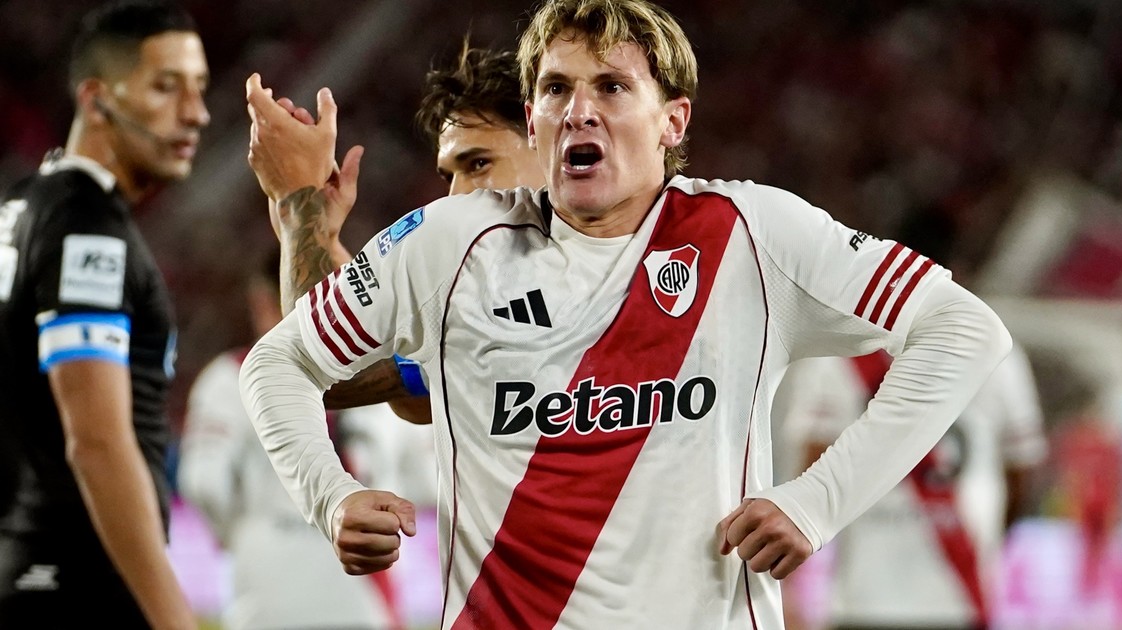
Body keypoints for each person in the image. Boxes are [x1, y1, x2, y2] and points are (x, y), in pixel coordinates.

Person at [239, 1, 1013, 627]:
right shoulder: (450, 245)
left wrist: (818, 500)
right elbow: (287, 361)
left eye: (611, 87)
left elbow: (964, 328)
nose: (579, 110)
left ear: (673, 121)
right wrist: (328, 495)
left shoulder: (750, 235)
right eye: (556, 89)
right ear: (536, 123)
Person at [0, 1, 207, 628]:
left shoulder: (26, 206)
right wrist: (172, 616)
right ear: (95, 100)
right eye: (165, 87)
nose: (196, 113)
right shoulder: (87, 225)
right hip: (78, 584)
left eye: (199, 88)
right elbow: (95, 441)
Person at [266, 43, 544, 421]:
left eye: (479, 164)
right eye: (449, 177)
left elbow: (318, 367)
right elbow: (415, 398)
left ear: (550, 145)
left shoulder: (536, 294)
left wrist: (298, 204)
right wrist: (324, 239)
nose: (456, 196)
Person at [177, 246, 406, 630]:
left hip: (271, 564)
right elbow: (421, 477)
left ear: (264, 300)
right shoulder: (382, 378)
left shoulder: (231, 377)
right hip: (363, 571)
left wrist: (240, 535)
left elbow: (203, 483)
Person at [783, 342, 1046, 630]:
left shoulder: (839, 353)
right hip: (903, 597)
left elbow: (809, 485)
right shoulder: (996, 351)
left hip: (895, 598)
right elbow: (1020, 471)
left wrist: (786, 585)